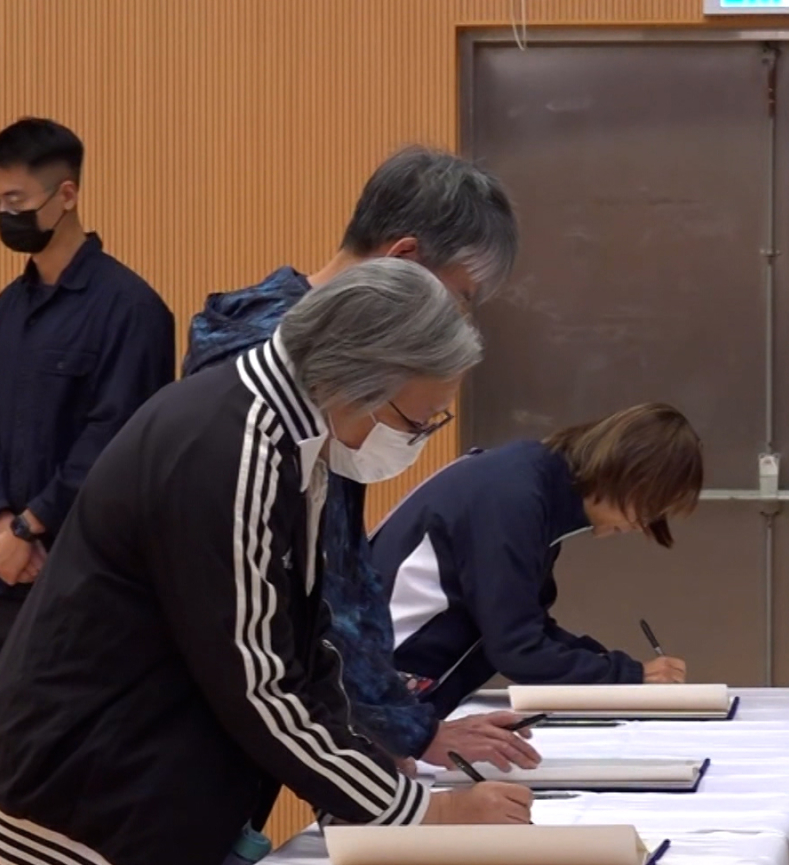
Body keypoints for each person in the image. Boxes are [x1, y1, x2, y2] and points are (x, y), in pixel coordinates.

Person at [0, 260, 533, 865]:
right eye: (416, 420)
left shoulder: (285, 430)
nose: (415, 439)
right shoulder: (239, 446)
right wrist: (420, 813)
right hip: (84, 782)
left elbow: (306, 642)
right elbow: (259, 685)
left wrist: (370, 773)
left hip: (116, 766)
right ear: (360, 377)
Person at [181, 146, 538, 775]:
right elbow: (322, 590)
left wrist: (401, 725)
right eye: (459, 299)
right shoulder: (290, 369)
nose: (457, 322)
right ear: (404, 262)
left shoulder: (287, 339)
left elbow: (341, 567)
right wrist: (402, 736)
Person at [0, 117, 176, 865]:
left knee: (85, 771)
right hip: (8, 576)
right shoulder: (9, 307)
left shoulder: (131, 309)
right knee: (10, 772)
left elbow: (114, 440)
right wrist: (2, 525)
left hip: (90, 587)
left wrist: (35, 523)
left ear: (67, 194)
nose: (4, 214)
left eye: (15, 199)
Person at [369, 403, 703, 718]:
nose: (639, 526)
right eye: (647, 510)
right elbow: (518, 649)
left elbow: (527, 625)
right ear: (626, 474)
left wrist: (614, 667)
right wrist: (628, 675)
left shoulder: (530, 481)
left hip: (394, 683)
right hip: (378, 689)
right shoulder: (513, 497)